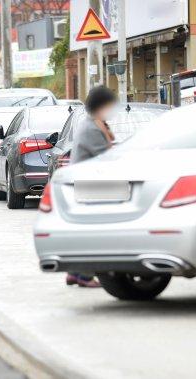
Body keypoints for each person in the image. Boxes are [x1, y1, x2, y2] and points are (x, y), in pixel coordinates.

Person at [66, 85, 117, 288]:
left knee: (84, 231)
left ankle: (74, 272)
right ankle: (85, 275)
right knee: (92, 232)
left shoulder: (95, 124)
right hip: (88, 186)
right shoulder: (92, 128)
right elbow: (107, 156)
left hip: (87, 184)